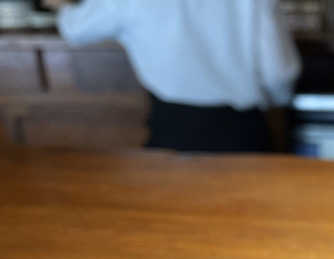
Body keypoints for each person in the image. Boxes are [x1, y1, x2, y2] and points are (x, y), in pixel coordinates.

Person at [45, 0, 301, 152]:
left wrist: (63, 6)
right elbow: (279, 72)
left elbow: (74, 29)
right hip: (244, 130)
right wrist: (277, 104)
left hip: (174, 130)